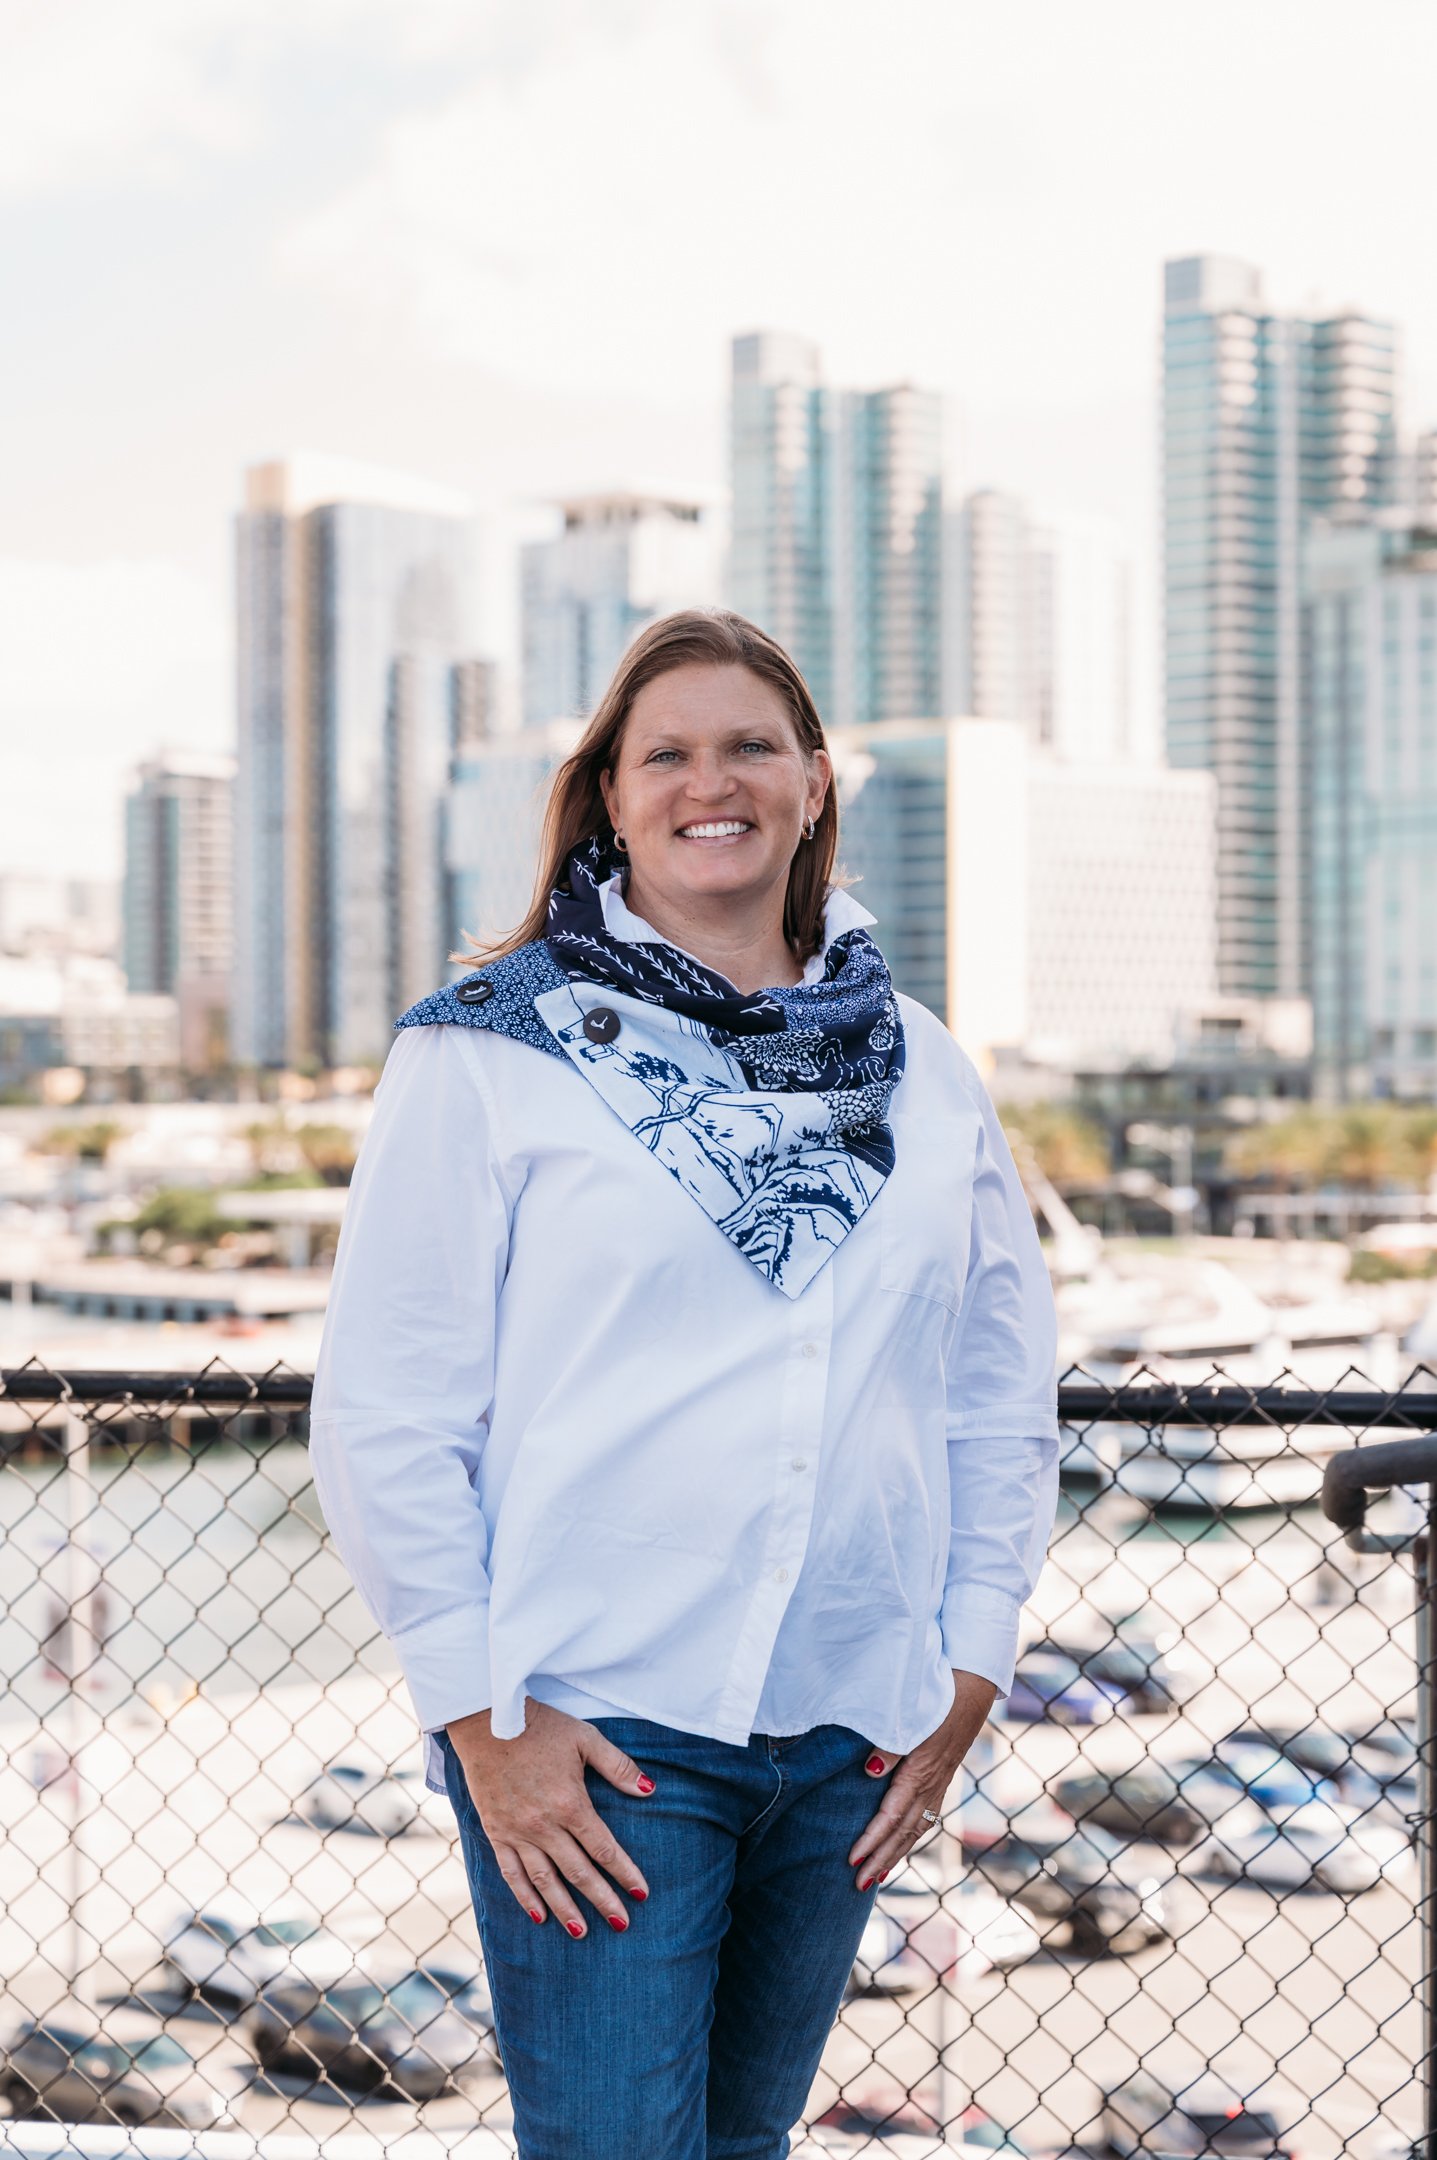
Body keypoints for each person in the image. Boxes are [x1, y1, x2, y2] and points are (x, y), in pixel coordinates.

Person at [308, 609, 1061, 2159]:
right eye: (666, 753)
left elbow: (994, 1388)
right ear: (607, 796)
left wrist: (969, 1659)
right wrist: (476, 1715)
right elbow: (388, 1406)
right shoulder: (493, 1050)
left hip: (850, 1720)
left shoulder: (923, 1067)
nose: (707, 782)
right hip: (596, 1731)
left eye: (747, 747)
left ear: (811, 784)